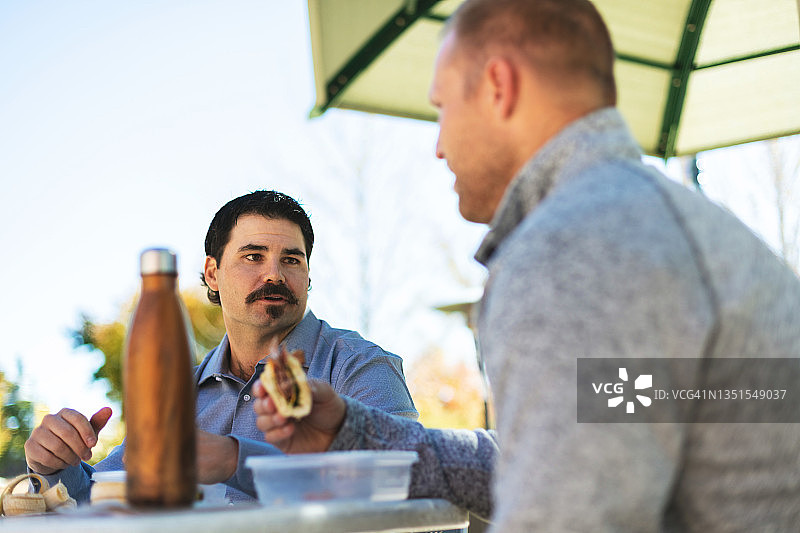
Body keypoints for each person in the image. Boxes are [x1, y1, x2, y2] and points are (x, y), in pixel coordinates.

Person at [254, 0, 800, 531]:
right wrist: (354, 432)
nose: (439, 147)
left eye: (442, 108)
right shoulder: (646, 221)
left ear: (499, 85)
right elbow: (568, 458)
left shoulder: (571, 248)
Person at [24, 190, 417, 504]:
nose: (275, 274)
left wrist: (236, 459)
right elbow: (105, 496)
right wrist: (56, 466)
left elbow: (403, 485)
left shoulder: (360, 366)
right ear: (212, 274)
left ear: (308, 277)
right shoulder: (181, 391)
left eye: (292, 260)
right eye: (253, 256)